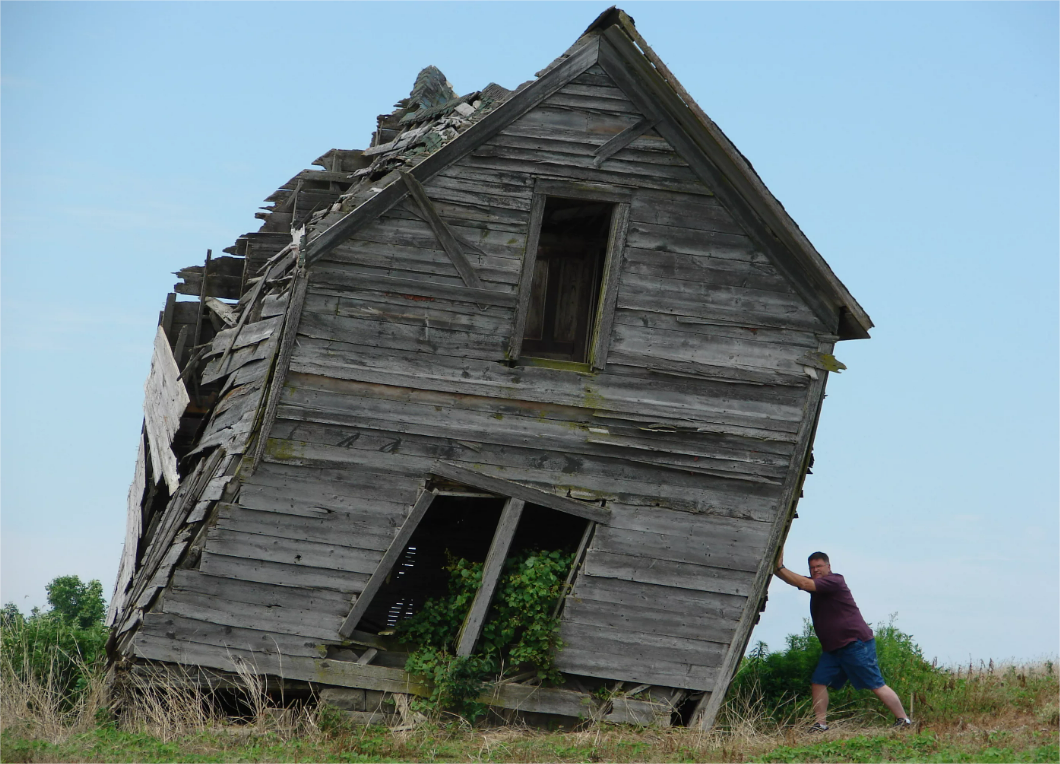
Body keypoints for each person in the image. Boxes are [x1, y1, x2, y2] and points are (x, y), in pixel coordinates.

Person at [773, 550, 913, 732]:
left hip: (855, 643)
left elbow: (801, 582)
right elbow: (796, 580)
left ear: (828, 567)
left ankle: (904, 720)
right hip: (833, 648)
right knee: (819, 681)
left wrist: (779, 567)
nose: (815, 570)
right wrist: (776, 568)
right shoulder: (817, 585)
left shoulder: (834, 581)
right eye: (812, 568)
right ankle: (820, 724)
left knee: (875, 683)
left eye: (819, 566)